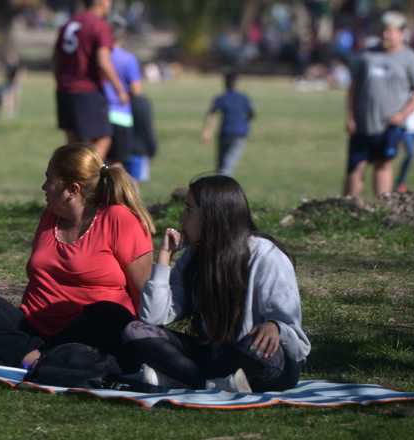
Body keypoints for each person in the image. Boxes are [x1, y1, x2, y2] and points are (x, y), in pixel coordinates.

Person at [0, 144, 155, 369]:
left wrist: (149, 348)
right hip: (33, 328)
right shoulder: (50, 216)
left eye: (49, 180)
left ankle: (31, 357)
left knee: (109, 315)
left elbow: (144, 295)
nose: (43, 187)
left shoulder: (119, 219)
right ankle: (39, 359)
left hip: (86, 332)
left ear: (72, 189)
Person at [121, 175, 310, 392]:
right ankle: (210, 383)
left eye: (189, 210)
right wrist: (164, 257)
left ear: (211, 217)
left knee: (260, 349)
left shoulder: (266, 256)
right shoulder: (193, 257)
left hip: (257, 358)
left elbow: (297, 342)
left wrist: (275, 327)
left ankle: (185, 380)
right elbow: (153, 317)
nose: (182, 218)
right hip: (215, 357)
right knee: (136, 331)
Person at [344, 11, 414, 198]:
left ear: (402, 33)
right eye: (383, 30)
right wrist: (350, 116)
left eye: (390, 31)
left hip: (389, 126)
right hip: (361, 123)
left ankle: (382, 210)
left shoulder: (411, 59)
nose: (385, 35)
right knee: (355, 167)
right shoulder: (366, 55)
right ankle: (348, 210)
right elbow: (353, 87)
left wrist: (403, 115)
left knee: (383, 165)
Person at [53, 0, 128, 161]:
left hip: (64, 90)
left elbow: (56, 57)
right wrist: (120, 89)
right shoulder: (99, 25)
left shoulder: (69, 23)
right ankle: (86, 179)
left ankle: (73, 179)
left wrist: (60, 81)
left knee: (74, 145)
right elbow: (104, 61)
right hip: (86, 91)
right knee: (104, 138)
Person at [103, 16, 142, 170]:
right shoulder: (128, 59)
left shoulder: (98, 56)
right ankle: (116, 194)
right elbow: (136, 90)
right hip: (121, 115)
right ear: (123, 35)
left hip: (99, 114)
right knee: (117, 164)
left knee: (98, 162)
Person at [202, 72, 255, 177]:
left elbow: (211, 115)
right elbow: (251, 115)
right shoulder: (244, 98)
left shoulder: (221, 98)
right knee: (226, 166)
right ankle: (221, 189)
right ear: (237, 83)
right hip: (239, 134)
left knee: (222, 166)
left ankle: (220, 189)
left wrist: (207, 132)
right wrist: (247, 127)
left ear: (224, 83)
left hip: (225, 133)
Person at [128, 94, 158, 184]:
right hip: (139, 152)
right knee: (134, 184)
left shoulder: (116, 101)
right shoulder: (143, 103)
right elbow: (148, 129)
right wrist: (152, 149)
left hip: (119, 150)